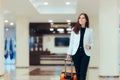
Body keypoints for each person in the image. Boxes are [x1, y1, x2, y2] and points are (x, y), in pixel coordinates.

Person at [66, 13, 94, 80]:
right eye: (80, 18)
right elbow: (71, 43)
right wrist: (68, 54)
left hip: (85, 54)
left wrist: (89, 46)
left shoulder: (90, 31)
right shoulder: (74, 29)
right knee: (78, 73)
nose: (81, 19)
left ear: (86, 20)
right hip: (76, 53)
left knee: (83, 73)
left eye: (83, 18)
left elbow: (92, 42)